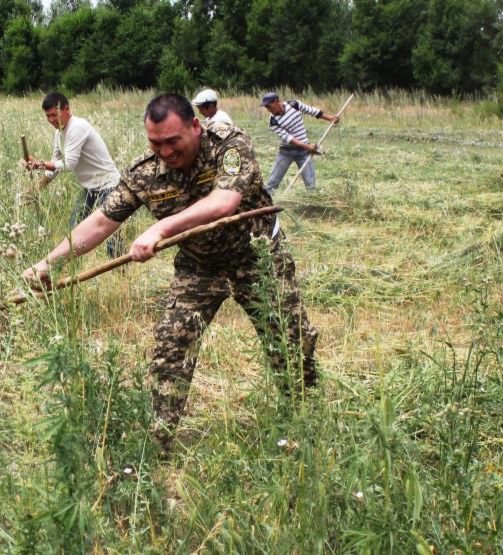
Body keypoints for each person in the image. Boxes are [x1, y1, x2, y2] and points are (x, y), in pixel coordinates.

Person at [23, 94, 319, 451]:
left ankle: (304, 421)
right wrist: (50, 262)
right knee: (171, 348)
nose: (165, 152)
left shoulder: (229, 144)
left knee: (291, 344)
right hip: (199, 267)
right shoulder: (144, 173)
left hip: (258, 256)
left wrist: (161, 229)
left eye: (172, 142)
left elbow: (224, 202)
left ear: (195, 126)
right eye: (156, 143)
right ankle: (154, 445)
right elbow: (102, 221)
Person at [23, 92, 124, 257]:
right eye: (47, 116)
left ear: (66, 109)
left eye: (54, 115)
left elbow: (69, 164)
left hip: (109, 185)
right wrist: (37, 188)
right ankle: (73, 267)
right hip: (89, 188)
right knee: (75, 229)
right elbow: (54, 165)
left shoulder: (77, 126)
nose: (51, 120)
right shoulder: (59, 133)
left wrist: (38, 164)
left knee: (109, 234)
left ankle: (120, 272)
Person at [260, 92, 340, 194]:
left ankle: (312, 207)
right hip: (286, 152)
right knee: (272, 184)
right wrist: (307, 146)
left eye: (269, 106)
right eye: (266, 107)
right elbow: (289, 139)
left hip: (304, 153)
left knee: (311, 186)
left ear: (276, 102)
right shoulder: (273, 122)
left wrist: (330, 118)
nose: (268, 110)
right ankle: (266, 205)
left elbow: (314, 112)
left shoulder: (295, 105)